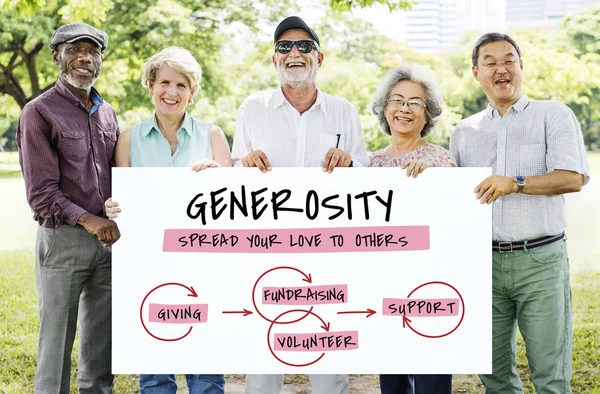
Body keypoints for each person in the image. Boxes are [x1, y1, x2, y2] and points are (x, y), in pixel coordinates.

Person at [231, 16, 368, 394]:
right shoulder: (252, 108)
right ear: (273, 59)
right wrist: (243, 165)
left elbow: (368, 174)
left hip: (328, 250)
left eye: (304, 46)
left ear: (319, 58)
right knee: (262, 353)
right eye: (284, 47)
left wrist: (350, 163)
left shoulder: (344, 111)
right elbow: (231, 175)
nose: (294, 53)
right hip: (265, 249)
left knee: (328, 354)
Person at [450, 32, 590, 393]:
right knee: (494, 375)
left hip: (540, 260)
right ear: (475, 72)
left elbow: (572, 178)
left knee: (551, 375)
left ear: (521, 67)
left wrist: (516, 183)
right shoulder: (464, 132)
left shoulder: (552, 114)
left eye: (509, 59)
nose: (501, 68)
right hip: (484, 266)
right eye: (490, 62)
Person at [105, 47, 230, 394]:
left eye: (181, 85)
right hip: (148, 266)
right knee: (155, 366)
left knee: (205, 367)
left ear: (192, 92)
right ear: (150, 85)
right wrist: (113, 207)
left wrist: (220, 177)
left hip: (203, 265)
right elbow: (121, 202)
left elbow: (233, 209)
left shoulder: (213, 136)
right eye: (164, 82)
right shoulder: (129, 139)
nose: (171, 92)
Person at [16, 22, 120, 393]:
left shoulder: (107, 113)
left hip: (108, 243)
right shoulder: (39, 112)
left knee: (101, 343)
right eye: (75, 49)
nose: (85, 57)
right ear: (56, 55)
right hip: (63, 240)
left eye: (93, 51)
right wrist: (88, 219)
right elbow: (41, 192)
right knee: (57, 339)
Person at [370, 66, 454, 394]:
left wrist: (434, 180)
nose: (404, 108)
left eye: (415, 103)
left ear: (428, 113)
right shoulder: (371, 163)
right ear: (385, 108)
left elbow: (452, 221)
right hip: (384, 285)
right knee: (392, 381)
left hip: (429, 286)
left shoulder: (441, 160)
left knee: (431, 377)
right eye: (397, 100)